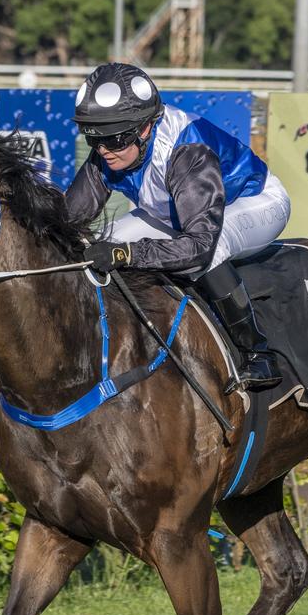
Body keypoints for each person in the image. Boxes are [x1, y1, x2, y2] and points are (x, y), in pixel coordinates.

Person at [65, 63, 290, 390]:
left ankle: (257, 354)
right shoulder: (110, 147)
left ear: (145, 128)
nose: (102, 149)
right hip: (175, 214)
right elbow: (68, 218)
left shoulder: (187, 150)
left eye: (114, 139)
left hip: (255, 203)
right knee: (100, 246)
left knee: (215, 248)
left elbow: (197, 248)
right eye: (93, 137)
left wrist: (127, 254)